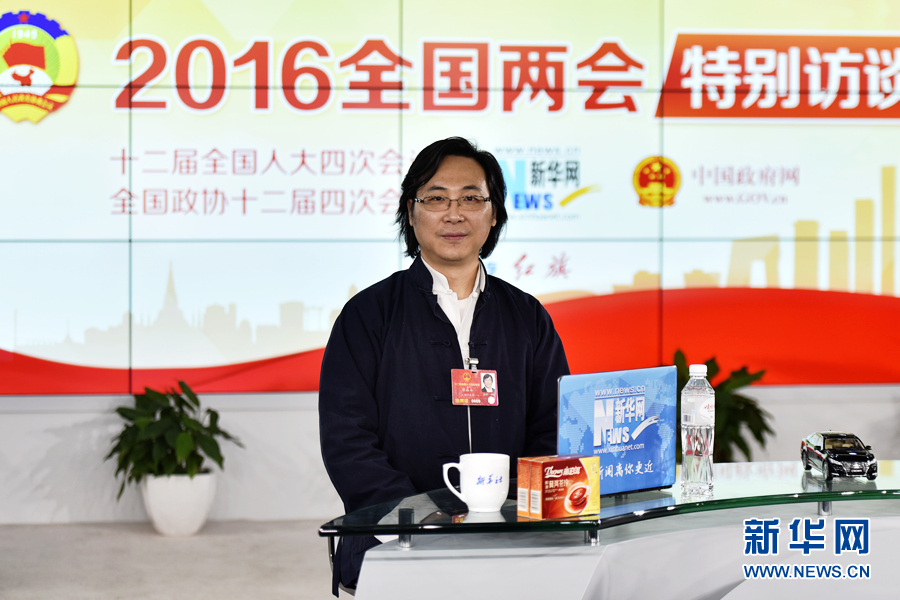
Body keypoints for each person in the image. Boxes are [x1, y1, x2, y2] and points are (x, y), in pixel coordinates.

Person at [318, 137, 570, 594]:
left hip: (511, 544)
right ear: (411, 212)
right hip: (395, 545)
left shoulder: (527, 316)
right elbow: (347, 440)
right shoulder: (368, 315)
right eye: (436, 199)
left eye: (471, 198)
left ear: (494, 214)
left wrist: (516, 515)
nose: (454, 214)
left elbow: (553, 429)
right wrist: (417, 519)